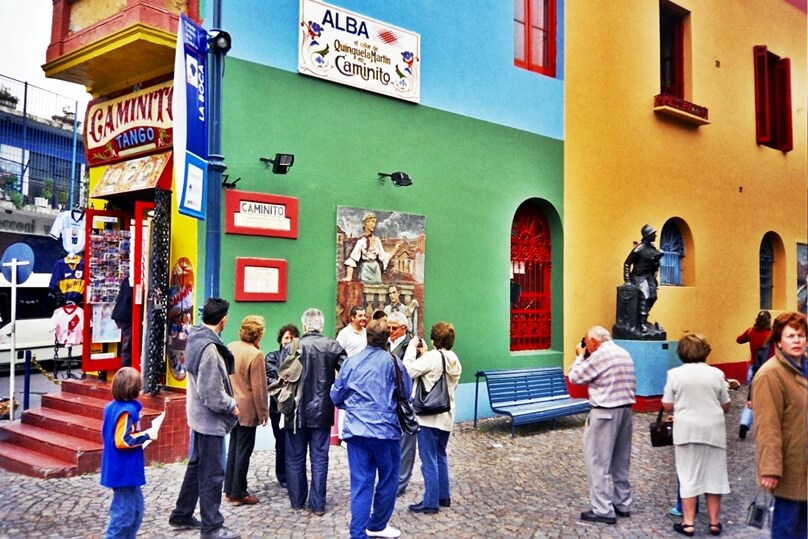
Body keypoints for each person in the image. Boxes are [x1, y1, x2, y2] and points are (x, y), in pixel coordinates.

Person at [330, 318, 410, 539]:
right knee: (388, 478)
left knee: (361, 482)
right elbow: (406, 394)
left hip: (356, 431)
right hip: (385, 431)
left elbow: (336, 395)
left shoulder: (351, 363)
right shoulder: (394, 363)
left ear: (367, 337)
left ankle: (357, 534)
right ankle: (377, 524)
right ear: (387, 339)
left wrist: (354, 406)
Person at [168, 298, 241, 539]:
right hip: (209, 420)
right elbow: (212, 394)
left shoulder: (195, 337)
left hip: (196, 416)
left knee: (196, 466)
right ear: (223, 320)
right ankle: (212, 526)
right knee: (212, 472)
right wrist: (232, 406)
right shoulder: (209, 349)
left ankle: (182, 513)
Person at [662, 334, 731, 537]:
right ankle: (714, 523)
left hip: (687, 430)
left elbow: (667, 404)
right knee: (714, 477)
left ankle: (689, 523)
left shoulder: (674, 374)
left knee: (688, 476)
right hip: (713, 429)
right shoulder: (717, 374)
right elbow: (725, 405)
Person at [568, 326, 636, 525]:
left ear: (593, 341)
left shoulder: (600, 355)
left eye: (586, 341)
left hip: (605, 412)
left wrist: (581, 356)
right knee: (621, 461)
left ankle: (603, 509)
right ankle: (622, 503)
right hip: (625, 411)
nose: (585, 344)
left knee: (597, 462)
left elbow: (575, 377)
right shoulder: (623, 352)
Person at [283, 308, 346, 516]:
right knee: (320, 458)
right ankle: (318, 504)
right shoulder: (332, 345)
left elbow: (281, 376)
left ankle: (297, 500)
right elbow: (346, 374)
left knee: (294, 457)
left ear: (304, 326)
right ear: (321, 324)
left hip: (295, 410)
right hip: (322, 409)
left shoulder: (293, 346)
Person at [752, 312, 807, 539]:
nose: (797, 340)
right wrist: (770, 468)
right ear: (778, 341)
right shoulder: (770, 374)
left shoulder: (804, 368)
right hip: (788, 467)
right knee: (786, 528)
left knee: (803, 528)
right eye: (791, 336)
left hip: (805, 463)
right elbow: (768, 426)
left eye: (801, 335)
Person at [403, 321, 462, 514]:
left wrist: (412, 349)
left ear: (434, 339)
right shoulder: (454, 359)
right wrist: (427, 353)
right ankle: (443, 496)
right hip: (446, 415)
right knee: (440, 455)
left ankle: (430, 502)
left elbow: (407, 371)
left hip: (429, 417)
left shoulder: (431, 358)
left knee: (428, 459)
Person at [100, 367, 163, 539]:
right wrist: (147, 435)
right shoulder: (126, 411)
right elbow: (123, 440)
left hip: (123, 469)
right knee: (123, 516)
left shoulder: (112, 407)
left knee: (135, 511)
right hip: (123, 470)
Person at [224, 315, 269, 506]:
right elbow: (259, 388)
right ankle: (238, 492)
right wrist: (264, 413)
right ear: (258, 334)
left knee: (234, 447)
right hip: (248, 408)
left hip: (232, 404)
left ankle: (229, 488)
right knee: (244, 450)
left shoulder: (231, 347)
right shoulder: (256, 355)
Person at [265, 323, 300, 488]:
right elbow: (271, 381)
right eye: (287, 338)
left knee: (295, 442)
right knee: (281, 441)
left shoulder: (299, 358)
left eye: (292, 338)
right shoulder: (272, 357)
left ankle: (295, 473)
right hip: (278, 407)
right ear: (281, 340)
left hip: (296, 407)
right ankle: (283, 475)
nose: (289, 341)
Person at [387, 312, 416, 497]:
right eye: (388, 327)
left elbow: (409, 371)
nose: (390, 331)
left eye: (394, 328)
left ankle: (401, 482)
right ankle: (391, 478)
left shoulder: (411, 345)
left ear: (404, 328)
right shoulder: (385, 344)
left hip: (406, 401)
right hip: (389, 400)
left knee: (406, 444)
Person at [736, 310, 772, 439]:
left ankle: (744, 423)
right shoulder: (770, 335)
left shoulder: (751, 331)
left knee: (751, 397)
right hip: (767, 368)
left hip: (752, 367)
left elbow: (739, 340)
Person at [623, 224, 663, 332]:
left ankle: (642, 317)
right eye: (654, 233)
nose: (656, 235)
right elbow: (627, 264)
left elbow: (654, 265)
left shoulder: (653, 248)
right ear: (648, 235)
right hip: (638, 276)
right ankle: (642, 324)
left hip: (648, 276)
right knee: (645, 296)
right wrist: (627, 280)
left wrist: (657, 259)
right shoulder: (638, 249)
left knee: (653, 296)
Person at [343, 212, 403, 284]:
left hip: (376, 269)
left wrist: (396, 248)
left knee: (377, 289)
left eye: (374, 222)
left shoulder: (377, 241)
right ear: (366, 223)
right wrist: (349, 276)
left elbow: (384, 258)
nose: (374, 225)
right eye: (372, 222)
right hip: (365, 269)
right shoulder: (361, 241)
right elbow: (352, 259)